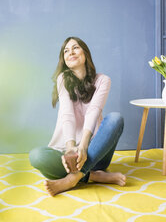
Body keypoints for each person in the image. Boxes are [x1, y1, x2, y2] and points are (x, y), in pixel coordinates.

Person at [29, 37, 126, 196]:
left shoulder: (103, 80)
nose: (70, 52)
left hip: (96, 153)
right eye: (66, 51)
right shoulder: (63, 80)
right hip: (70, 155)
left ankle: (73, 178)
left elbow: (93, 110)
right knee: (37, 156)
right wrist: (70, 149)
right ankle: (93, 176)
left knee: (115, 118)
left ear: (85, 53)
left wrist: (84, 147)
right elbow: (67, 114)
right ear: (64, 59)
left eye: (75, 48)